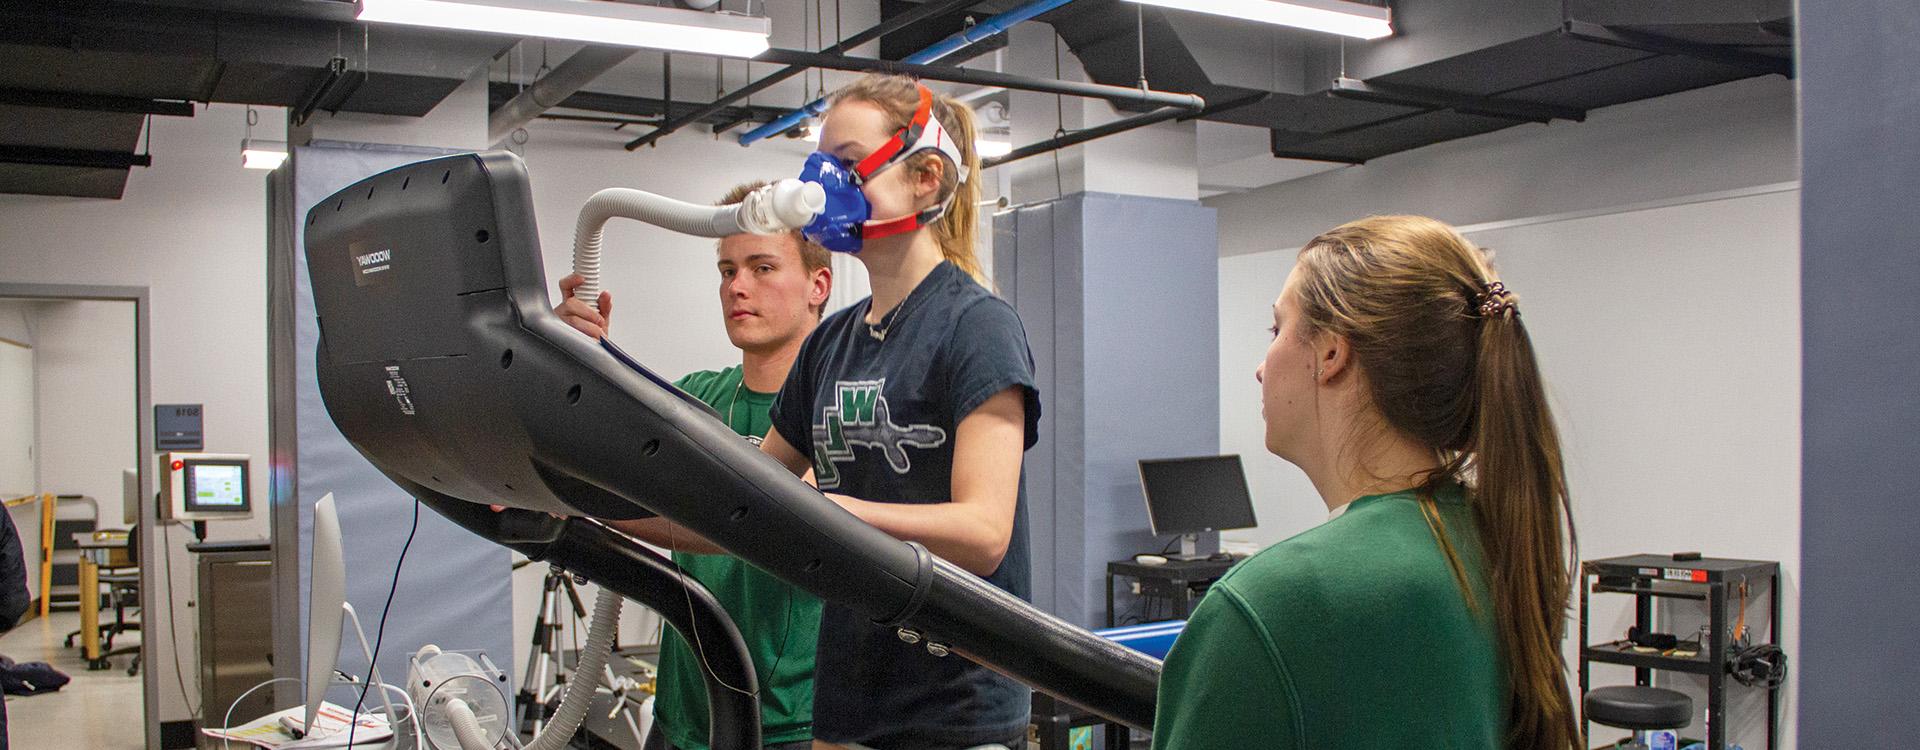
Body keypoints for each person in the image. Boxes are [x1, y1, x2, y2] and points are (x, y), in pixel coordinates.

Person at [1150, 216, 1580, 749]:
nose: (1262, 368)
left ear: (1331, 352)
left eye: (1277, 330)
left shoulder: (1269, 607)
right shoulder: (1493, 543)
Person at [752, 74, 1040, 750]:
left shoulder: (976, 326)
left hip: (955, 702)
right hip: (853, 689)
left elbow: (982, 532)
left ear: (925, 177)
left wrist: (829, 511)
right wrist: (589, 492)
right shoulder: (832, 340)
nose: (823, 182)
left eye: (847, 163)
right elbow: (754, 496)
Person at [553, 180, 833, 750]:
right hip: (683, 722)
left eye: (762, 268)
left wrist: (585, 505)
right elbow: (589, 460)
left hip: (792, 730)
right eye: (728, 270)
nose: (738, 287)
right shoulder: (693, 401)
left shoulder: (838, 411)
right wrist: (558, 360)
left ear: (817, 285)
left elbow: (749, 528)